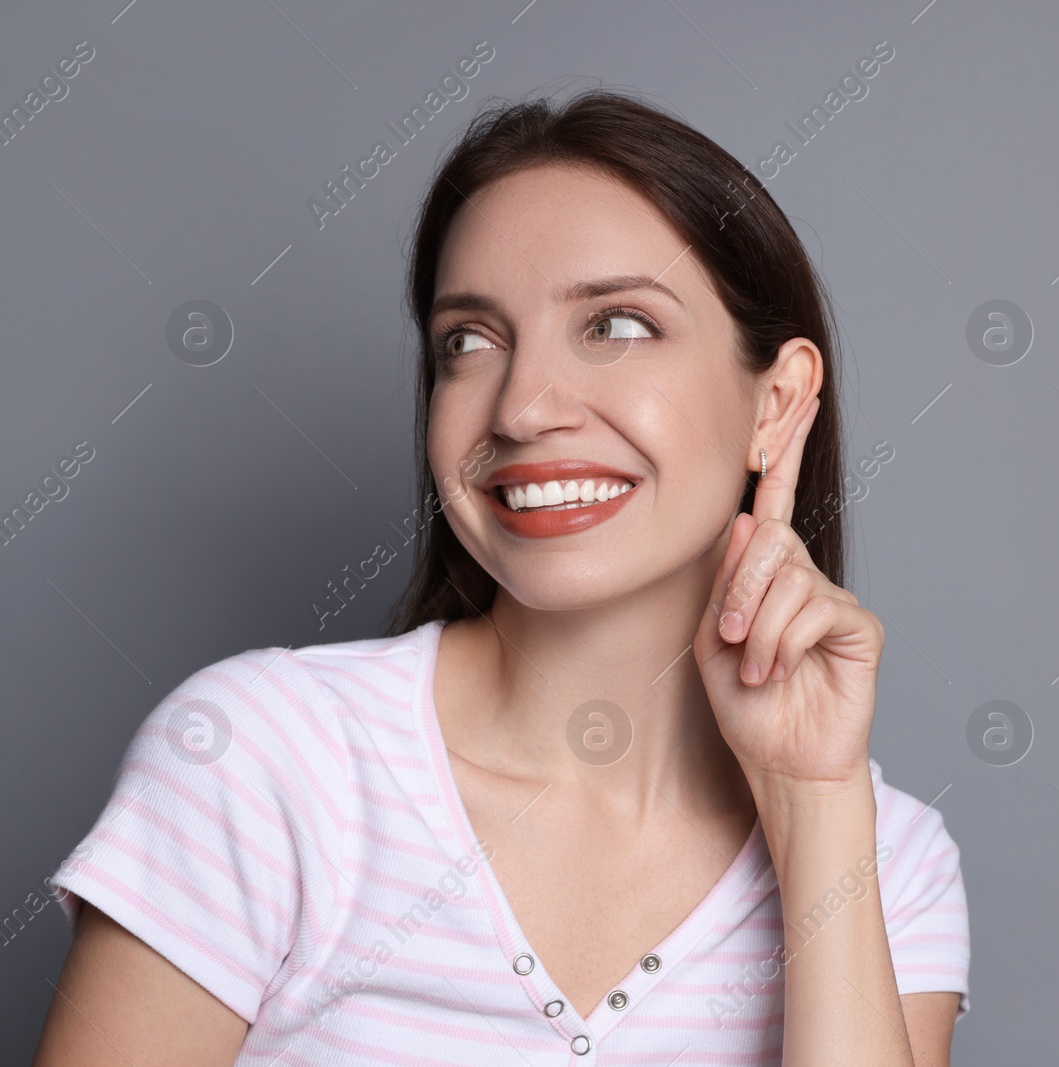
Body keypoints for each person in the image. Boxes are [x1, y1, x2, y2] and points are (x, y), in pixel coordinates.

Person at [33, 87, 969, 1066]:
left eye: (616, 324)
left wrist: (810, 802)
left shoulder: (886, 860)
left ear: (776, 404)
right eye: (468, 342)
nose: (521, 408)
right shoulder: (259, 761)